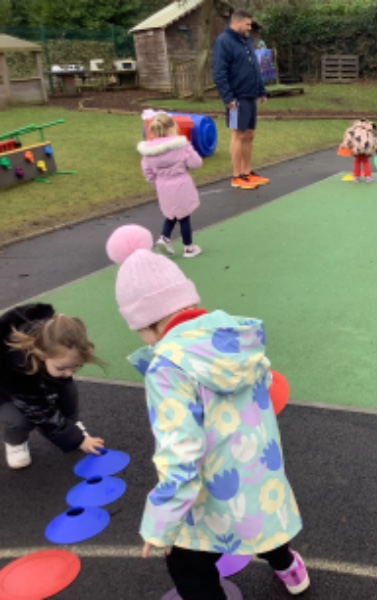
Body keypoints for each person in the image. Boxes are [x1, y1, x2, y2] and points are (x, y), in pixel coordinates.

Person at [105, 224, 308, 599]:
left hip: (211, 489)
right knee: (263, 527)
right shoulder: (235, 335)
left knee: (186, 564)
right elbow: (264, 386)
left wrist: (161, 521)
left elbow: (180, 451)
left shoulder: (167, 367)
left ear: (145, 323)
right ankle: (290, 569)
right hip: (260, 475)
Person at [0, 303, 105, 469]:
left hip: (34, 376)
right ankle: (15, 442)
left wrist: (70, 429)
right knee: (20, 420)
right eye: (62, 368)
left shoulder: (56, 342)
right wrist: (77, 440)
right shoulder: (17, 365)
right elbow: (40, 412)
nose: (69, 373)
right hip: (4, 392)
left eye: (75, 367)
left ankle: (71, 424)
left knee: (67, 391)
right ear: (41, 355)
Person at [212, 9, 270, 191]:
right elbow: (219, 72)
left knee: (249, 134)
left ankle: (247, 172)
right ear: (236, 23)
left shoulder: (246, 42)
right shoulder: (224, 42)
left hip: (250, 95)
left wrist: (261, 91)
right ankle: (237, 176)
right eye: (247, 24)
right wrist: (227, 97)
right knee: (238, 134)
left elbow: (254, 68)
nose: (249, 27)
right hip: (236, 97)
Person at [139, 112, 203, 259]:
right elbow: (196, 163)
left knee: (171, 213)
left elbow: (148, 172)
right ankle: (188, 248)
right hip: (181, 184)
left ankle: (165, 236)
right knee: (184, 217)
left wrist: (156, 183)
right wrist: (189, 150)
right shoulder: (181, 146)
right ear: (172, 128)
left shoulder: (148, 152)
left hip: (163, 186)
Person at [340, 119, 377, 183]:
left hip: (357, 147)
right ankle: (368, 177)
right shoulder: (369, 130)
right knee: (365, 161)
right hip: (366, 148)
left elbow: (348, 138)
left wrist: (344, 145)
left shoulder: (353, 129)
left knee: (357, 161)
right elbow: (376, 142)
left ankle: (356, 177)